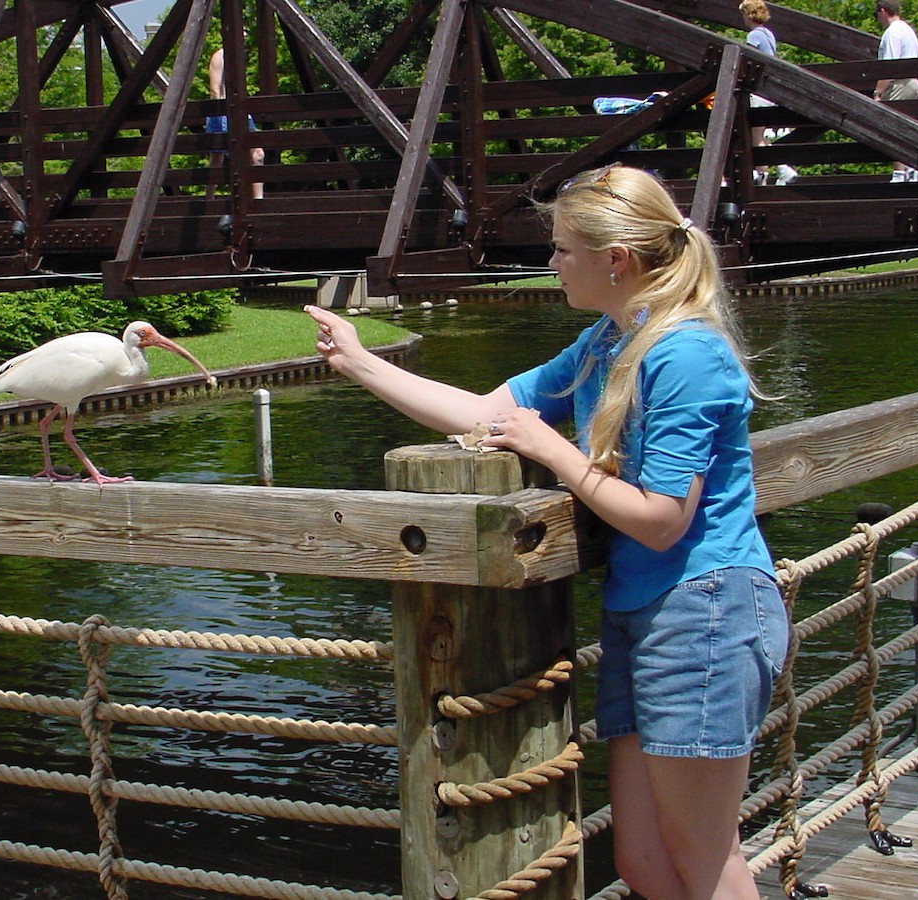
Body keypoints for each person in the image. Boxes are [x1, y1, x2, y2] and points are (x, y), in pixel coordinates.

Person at [305, 164, 787, 900]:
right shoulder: (606, 342)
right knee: (646, 864)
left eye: (563, 249)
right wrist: (360, 361)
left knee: (703, 860)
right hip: (645, 613)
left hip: (707, 611)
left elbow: (663, 520)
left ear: (614, 259)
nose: (552, 262)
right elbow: (484, 413)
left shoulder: (684, 353)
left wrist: (551, 448)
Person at [739, 0, 798, 187]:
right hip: (768, 91)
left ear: (749, 15)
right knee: (761, 136)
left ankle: (777, 170)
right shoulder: (769, 34)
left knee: (755, 137)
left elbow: (748, 62)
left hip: (758, 92)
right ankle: (764, 173)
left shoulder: (754, 36)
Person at [207, 35, 264, 199]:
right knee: (217, 160)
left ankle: (258, 201)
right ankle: (208, 201)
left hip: (241, 111)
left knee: (257, 154)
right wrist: (223, 118)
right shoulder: (220, 57)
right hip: (222, 113)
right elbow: (215, 91)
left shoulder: (238, 60)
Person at [873, 0, 918, 182]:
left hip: (900, 82)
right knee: (905, 126)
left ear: (883, 11)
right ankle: (910, 168)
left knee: (894, 128)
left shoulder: (892, 33)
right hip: (912, 81)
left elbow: (890, 67)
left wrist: (878, 92)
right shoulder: (907, 30)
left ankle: (900, 172)